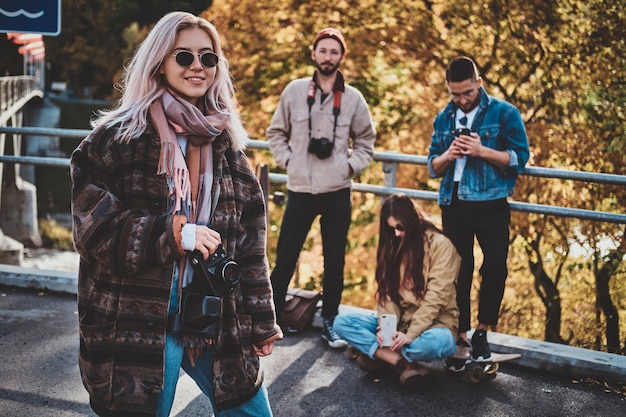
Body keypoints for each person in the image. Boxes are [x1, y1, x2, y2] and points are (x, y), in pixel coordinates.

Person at [70, 12, 282, 417]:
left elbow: (251, 243)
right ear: (160, 62)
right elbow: (92, 233)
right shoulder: (113, 141)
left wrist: (262, 319)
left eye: (208, 57)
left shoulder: (227, 147)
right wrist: (176, 234)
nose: (197, 66)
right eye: (183, 56)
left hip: (214, 315)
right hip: (136, 321)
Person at [266, 27, 376, 348]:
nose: (328, 57)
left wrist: (349, 166)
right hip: (300, 188)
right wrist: (290, 161)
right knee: (285, 257)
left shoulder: (353, 98)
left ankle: (331, 322)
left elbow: (366, 141)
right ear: (313, 53)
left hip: (337, 191)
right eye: (323, 50)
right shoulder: (294, 91)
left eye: (334, 51)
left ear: (342, 57)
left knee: (335, 261)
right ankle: (269, 319)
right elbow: (275, 133)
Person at [427, 56, 530, 369]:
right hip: (454, 201)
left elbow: (521, 158)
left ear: (479, 83)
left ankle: (483, 332)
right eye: (455, 94)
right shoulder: (444, 117)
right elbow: (432, 166)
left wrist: (481, 150)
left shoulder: (504, 112)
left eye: (468, 93)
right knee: (460, 269)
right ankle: (461, 334)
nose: (461, 100)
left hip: (491, 201)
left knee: (495, 265)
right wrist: (449, 155)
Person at [333, 194, 461, 386]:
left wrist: (411, 334)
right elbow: (387, 293)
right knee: (341, 322)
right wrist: (386, 329)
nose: (397, 233)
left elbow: (437, 297)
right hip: (399, 325)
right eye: (391, 229)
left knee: (437, 343)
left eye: (400, 227)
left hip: (434, 324)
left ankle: (380, 356)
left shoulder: (441, 245)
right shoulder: (393, 244)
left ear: (412, 221)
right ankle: (400, 362)